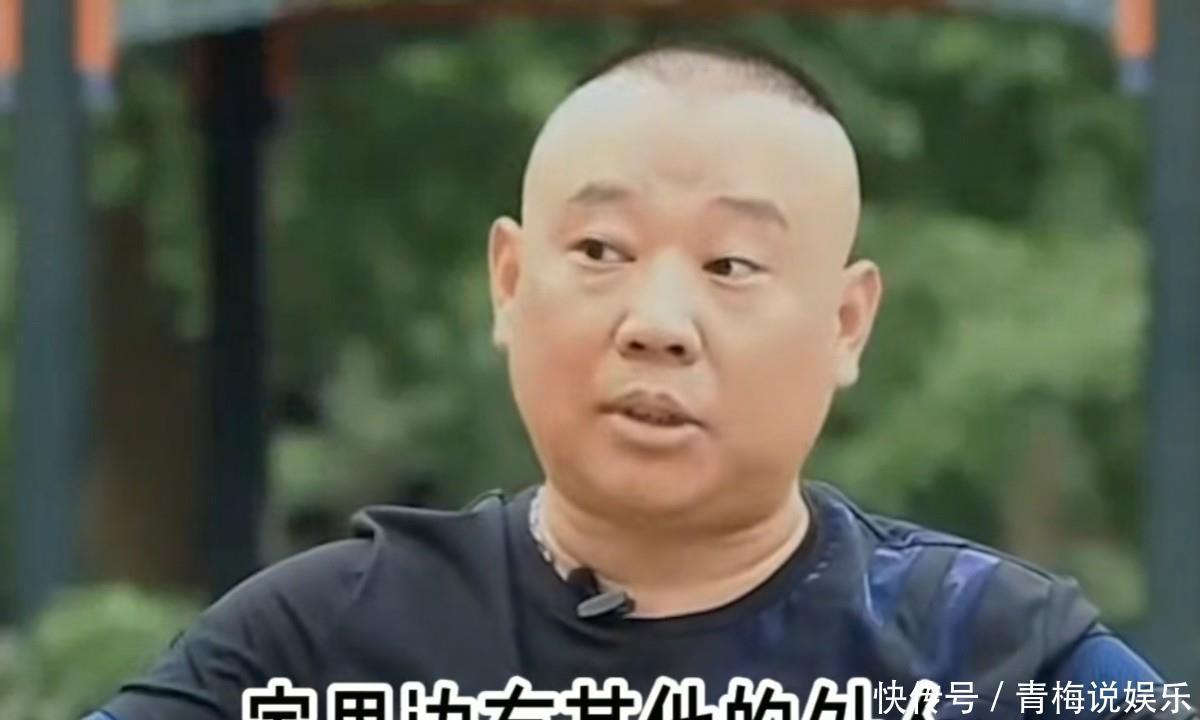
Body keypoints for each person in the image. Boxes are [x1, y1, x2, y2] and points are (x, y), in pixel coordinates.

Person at [91, 39, 1193, 720]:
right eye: (601, 251)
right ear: (509, 281)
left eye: (732, 266)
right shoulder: (316, 650)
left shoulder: (991, 655)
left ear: (846, 323)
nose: (658, 325)